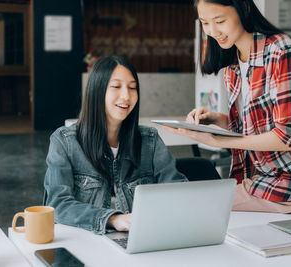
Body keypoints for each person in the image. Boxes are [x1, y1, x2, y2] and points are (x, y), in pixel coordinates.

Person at [166, 0, 291, 212]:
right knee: (193, 203)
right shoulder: (233, 66)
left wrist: (219, 141)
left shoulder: (281, 51)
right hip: (263, 182)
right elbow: (255, 129)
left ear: (243, 9)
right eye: (205, 23)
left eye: (220, 21)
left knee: (193, 204)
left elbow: (288, 136)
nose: (213, 31)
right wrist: (218, 120)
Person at [43, 56, 187, 235]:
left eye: (132, 87)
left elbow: (177, 190)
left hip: (143, 239)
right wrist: (113, 219)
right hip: (88, 242)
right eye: (116, 87)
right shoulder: (64, 142)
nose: (126, 96)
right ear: (97, 90)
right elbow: (57, 205)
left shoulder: (149, 140)